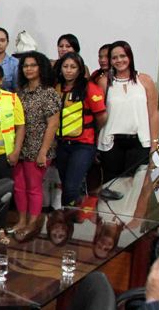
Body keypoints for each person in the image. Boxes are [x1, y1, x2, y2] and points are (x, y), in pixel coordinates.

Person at [12, 51, 61, 240]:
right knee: (18, 186)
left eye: (33, 65)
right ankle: (21, 219)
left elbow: (53, 124)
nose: (28, 69)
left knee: (33, 187)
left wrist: (43, 152)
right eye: (25, 66)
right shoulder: (19, 94)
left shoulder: (49, 94)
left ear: (41, 68)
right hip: (19, 147)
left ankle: (33, 222)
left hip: (38, 148)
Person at [96, 40, 158, 182]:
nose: (119, 60)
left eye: (123, 56)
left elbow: (153, 114)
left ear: (130, 57)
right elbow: (99, 114)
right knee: (111, 188)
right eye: (115, 57)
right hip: (111, 143)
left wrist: (154, 144)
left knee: (137, 189)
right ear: (110, 60)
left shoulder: (145, 80)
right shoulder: (104, 82)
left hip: (140, 143)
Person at [53, 52, 107, 207]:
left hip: (83, 145)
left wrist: (92, 132)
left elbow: (102, 116)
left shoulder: (89, 88)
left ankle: (73, 218)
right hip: (62, 145)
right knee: (66, 186)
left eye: (73, 67)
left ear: (79, 69)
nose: (68, 70)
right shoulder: (57, 88)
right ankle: (67, 223)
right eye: (65, 66)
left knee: (71, 187)